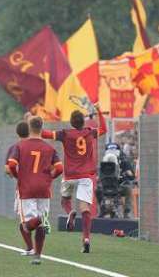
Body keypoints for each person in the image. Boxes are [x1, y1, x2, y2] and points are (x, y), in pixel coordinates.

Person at [41, 105, 106, 253]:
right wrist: (99, 112)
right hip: (86, 176)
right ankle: (86, 238)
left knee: (65, 200)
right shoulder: (90, 133)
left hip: (70, 175)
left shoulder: (65, 134)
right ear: (83, 122)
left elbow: (46, 134)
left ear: (71, 122)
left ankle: (70, 212)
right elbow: (104, 129)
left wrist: (35, 129)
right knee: (85, 208)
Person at [7, 116, 63, 265]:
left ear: (30, 128)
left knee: (27, 225)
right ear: (41, 128)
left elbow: (11, 165)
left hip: (27, 188)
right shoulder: (50, 148)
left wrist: (18, 176)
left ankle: (39, 219)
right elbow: (60, 168)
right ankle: (38, 255)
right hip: (44, 188)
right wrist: (50, 178)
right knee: (41, 226)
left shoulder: (20, 146)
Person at [3, 121, 34, 256]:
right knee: (30, 217)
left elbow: (8, 168)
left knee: (23, 220)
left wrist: (15, 176)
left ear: (17, 133)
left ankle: (30, 248)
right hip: (41, 186)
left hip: (24, 187)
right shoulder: (38, 146)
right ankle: (40, 224)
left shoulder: (15, 147)